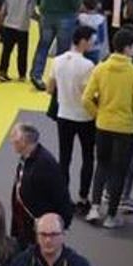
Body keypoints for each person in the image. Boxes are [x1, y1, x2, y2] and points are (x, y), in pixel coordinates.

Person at [81, 30, 133, 228]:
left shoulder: (100, 68)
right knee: (118, 171)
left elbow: (86, 98)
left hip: (103, 126)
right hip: (125, 129)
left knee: (101, 166)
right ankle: (111, 216)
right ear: (127, 48)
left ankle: (94, 207)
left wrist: (98, 114)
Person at [45, 26, 98, 208]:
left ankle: (63, 196)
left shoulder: (58, 60)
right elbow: (88, 94)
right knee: (88, 157)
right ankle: (83, 197)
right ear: (83, 41)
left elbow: (49, 88)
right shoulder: (88, 65)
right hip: (84, 117)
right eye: (92, 40)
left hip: (64, 115)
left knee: (64, 158)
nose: (93, 43)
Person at [8, 123, 74, 248]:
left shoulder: (45, 165)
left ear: (24, 141)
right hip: (24, 224)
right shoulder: (26, 158)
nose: (11, 141)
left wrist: (59, 224)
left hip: (38, 229)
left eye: (15, 138)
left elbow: (60, 196)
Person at [30, 0, 83, 90]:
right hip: (66, 17)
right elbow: (76, 1)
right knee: (63, 51)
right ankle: (59, 79)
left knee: (43, 46)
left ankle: (36, 74)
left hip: (46, 15)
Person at [0, 0, 34, 83]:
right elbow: (31, 13)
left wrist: (0, 22)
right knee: (22, 52)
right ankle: (22, 74)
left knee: (6, 50)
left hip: (8, 25)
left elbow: (3, 10)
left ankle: (2, 72)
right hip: (22, 27)